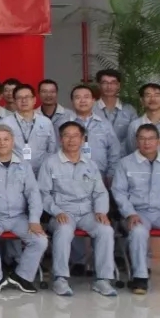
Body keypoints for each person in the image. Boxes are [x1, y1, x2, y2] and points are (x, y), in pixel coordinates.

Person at [37, 121, 118, 297]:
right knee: (64, 229)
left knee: (105, 230)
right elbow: (43, 194)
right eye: (67, 136)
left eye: (76, 136)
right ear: (60, 139)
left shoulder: (90, 164)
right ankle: (60, 279)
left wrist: (101, 211)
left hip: (88, 212)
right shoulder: (50, 163)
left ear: (82, 139)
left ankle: (103, 279)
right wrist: (56, 211)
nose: (71, 140)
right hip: (62, 211)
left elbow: (100, 192)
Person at [0, 125, 47, 294]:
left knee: (40, 240)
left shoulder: (24, 165)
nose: (2, 143)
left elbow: (33, 193)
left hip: (19, 217)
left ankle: (22, 276)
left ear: (13, 141)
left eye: (6, 139)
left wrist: (34, 220)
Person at [113, 123, 160, 295]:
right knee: (138, 231)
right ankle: (140, 277)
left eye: (151, 139)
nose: (147, 143)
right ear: (136, 141)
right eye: (142, 139)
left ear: (158, 141)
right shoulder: (125, 163)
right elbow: (119, 192)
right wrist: (129, 213)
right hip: (137, 212)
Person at [0, 84, 57, 174]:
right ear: (14, 101)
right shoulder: (4, 123)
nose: (24, 101)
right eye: (19, 98)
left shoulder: (46, 122)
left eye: (27, 97)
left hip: (42, 172)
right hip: (15, 173)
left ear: (34, 100)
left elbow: (52, 149)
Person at [95, 69, 137, 145]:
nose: (109, 87)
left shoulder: (129, 110)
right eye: (105, 83)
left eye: (113, 83)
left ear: (118, 85)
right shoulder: (90, 109)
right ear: (98, 85)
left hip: (124, 152)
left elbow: (135, 136)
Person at [125, 82, 160, 157]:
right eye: (148, 95)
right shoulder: (134, 126)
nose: (153, 99)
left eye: (157, 95)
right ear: (142, 100)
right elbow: (131, 153)